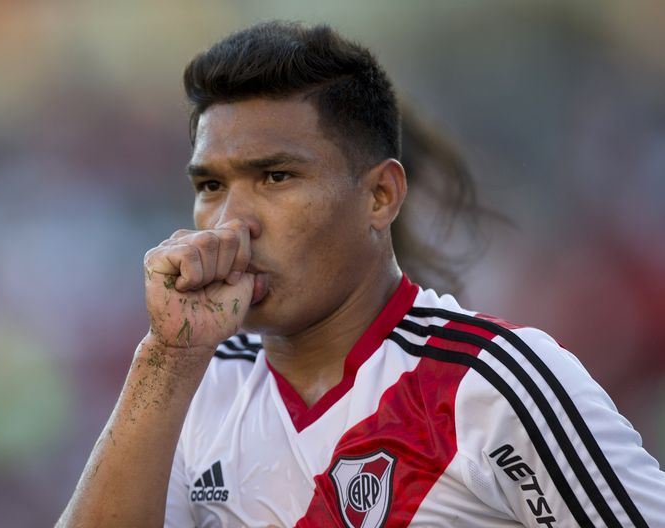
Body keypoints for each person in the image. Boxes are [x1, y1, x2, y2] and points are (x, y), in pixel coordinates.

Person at [57, 21, 665, 527]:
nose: (231, 223)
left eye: (276, 177)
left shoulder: (493, 385)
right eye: (211, 186)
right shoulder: (194, 388)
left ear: (380, 196)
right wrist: (165, 359)